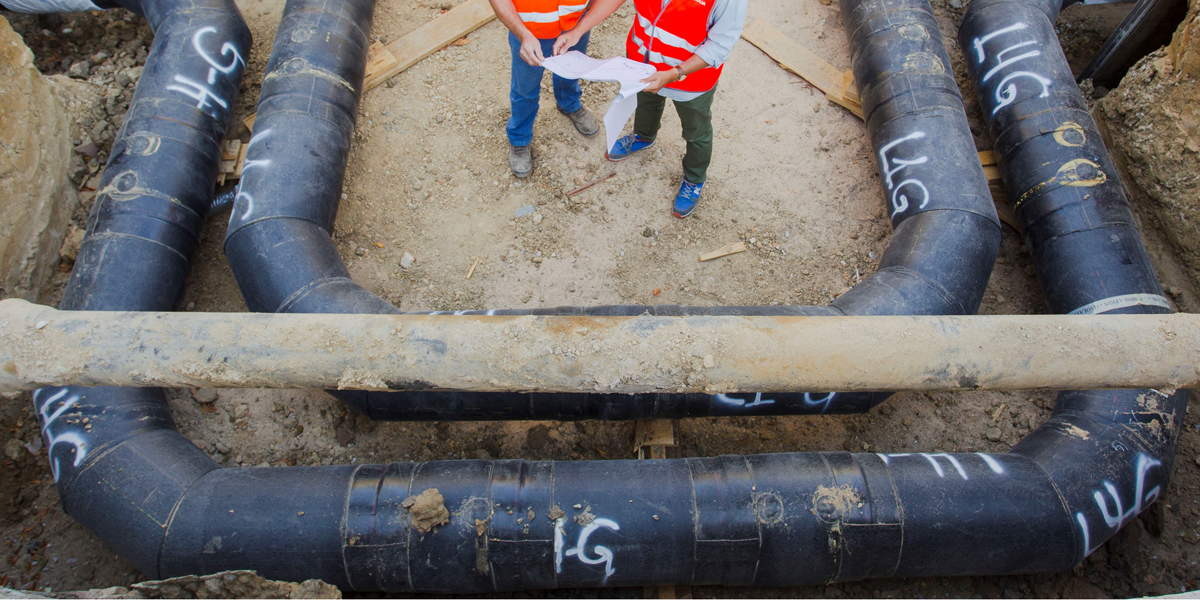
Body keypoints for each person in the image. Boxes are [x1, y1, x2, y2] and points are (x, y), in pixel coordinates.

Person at [553, 0, 746, 217]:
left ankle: (694, 178)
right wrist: (579, 30)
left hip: (691, 80)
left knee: (696, 131)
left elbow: (720, 44)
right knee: (645, 105)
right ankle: (644, 136)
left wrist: (675, 73)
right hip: (641, 65)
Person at [489, 0, 602, 178]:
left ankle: (569, 103)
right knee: (525, 89)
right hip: (530, 31)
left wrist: (583, 22)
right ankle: (520, 136)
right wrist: (522, 34)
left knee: (570, 71)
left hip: (577, 23)